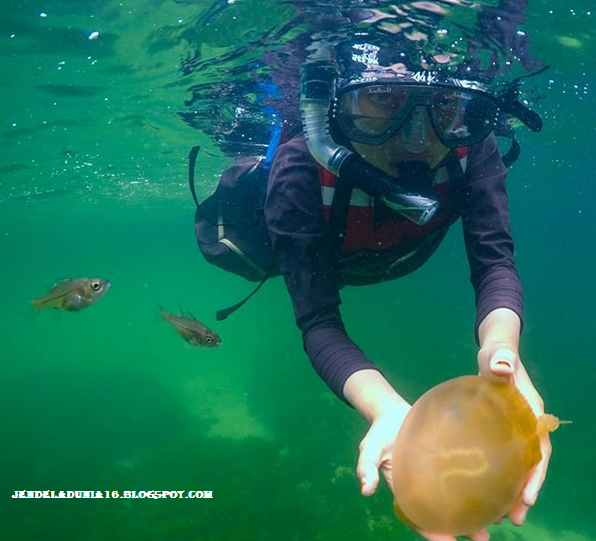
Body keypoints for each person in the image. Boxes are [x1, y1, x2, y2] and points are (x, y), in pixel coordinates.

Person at [263, 32, 550, 541]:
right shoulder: (300, 168)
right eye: (382, 99)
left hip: (398, 254)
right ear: (338, 106)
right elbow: (318, 320)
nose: (417, 137)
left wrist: (503, 347)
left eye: (443, 105)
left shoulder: (470, 149)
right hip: (281, 249)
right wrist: (386, 408)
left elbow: (494, 264)